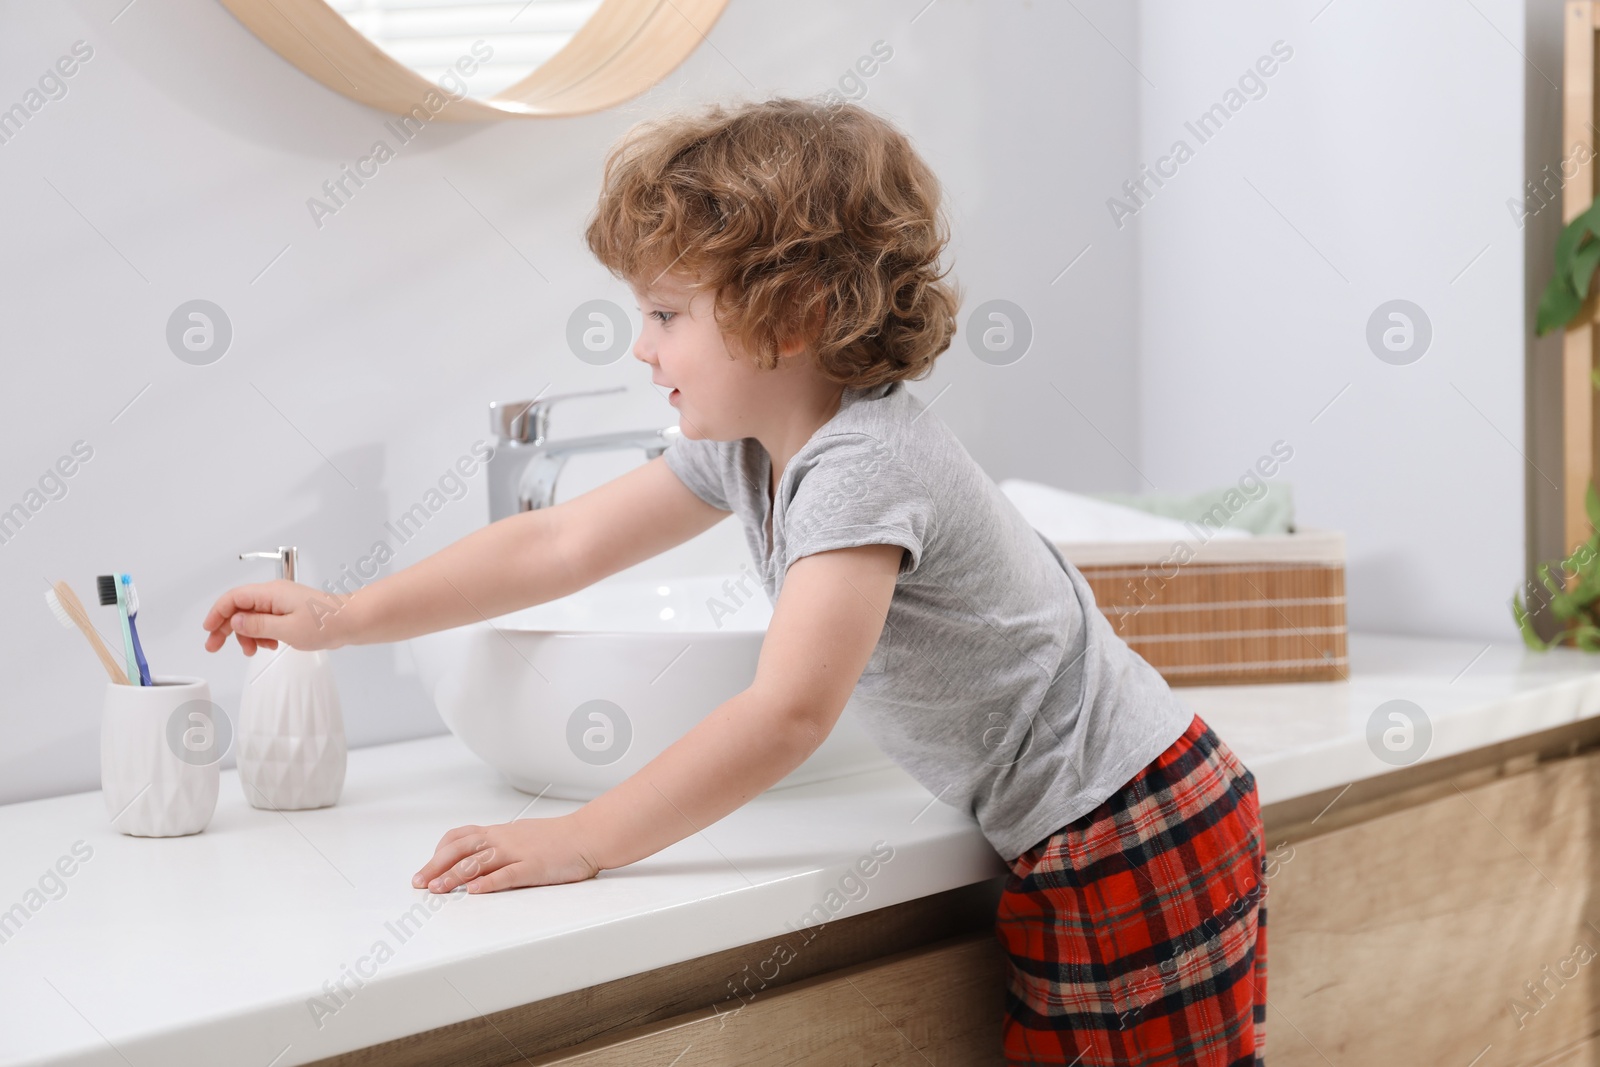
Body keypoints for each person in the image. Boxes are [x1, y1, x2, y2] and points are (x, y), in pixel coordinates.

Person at [201, 95, 1266, 1066]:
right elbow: (559, 543)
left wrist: (582, 837)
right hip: (1087, 820)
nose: (639, 345)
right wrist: (342, 616)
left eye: (667, 313)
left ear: (789, 313)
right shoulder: (752, 446)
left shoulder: (864, 464)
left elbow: (788, 711)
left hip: (1126, 822)